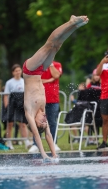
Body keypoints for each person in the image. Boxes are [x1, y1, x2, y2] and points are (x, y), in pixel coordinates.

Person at [23, 15, 89, 160]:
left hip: (30, 70)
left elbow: (37, 135)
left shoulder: (30, 112)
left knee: (49, 45)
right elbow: (48, 134)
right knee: (57, 46)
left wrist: (44, 154)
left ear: (35, 121)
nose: (45, 119)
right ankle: (74, 26)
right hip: (39, 72)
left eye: (42, 121)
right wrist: (53, 154)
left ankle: (71, 21)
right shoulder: (42, 111)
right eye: (45, 121)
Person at [28, 60, 62, 153]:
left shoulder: (56, 64)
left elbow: (56, 76)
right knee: (37, 121)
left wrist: (50, 64)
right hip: (39, 100)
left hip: (53, 99)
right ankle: (35, 144)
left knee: (52, 122)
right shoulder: (37, 64)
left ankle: (54, 143)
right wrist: (49, 80)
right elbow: (36, 80)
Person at [4, 64, 32, 150]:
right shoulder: (9, 82)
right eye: (16, 71)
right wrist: (6, 106)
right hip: (12, 103)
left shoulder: (24, 81)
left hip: (21, 103)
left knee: (23, 123)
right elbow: (6, 95)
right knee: (10, 124)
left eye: (19, 70)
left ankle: (26, 141)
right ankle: (9, 142)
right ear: (13, 72)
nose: (18, 72)